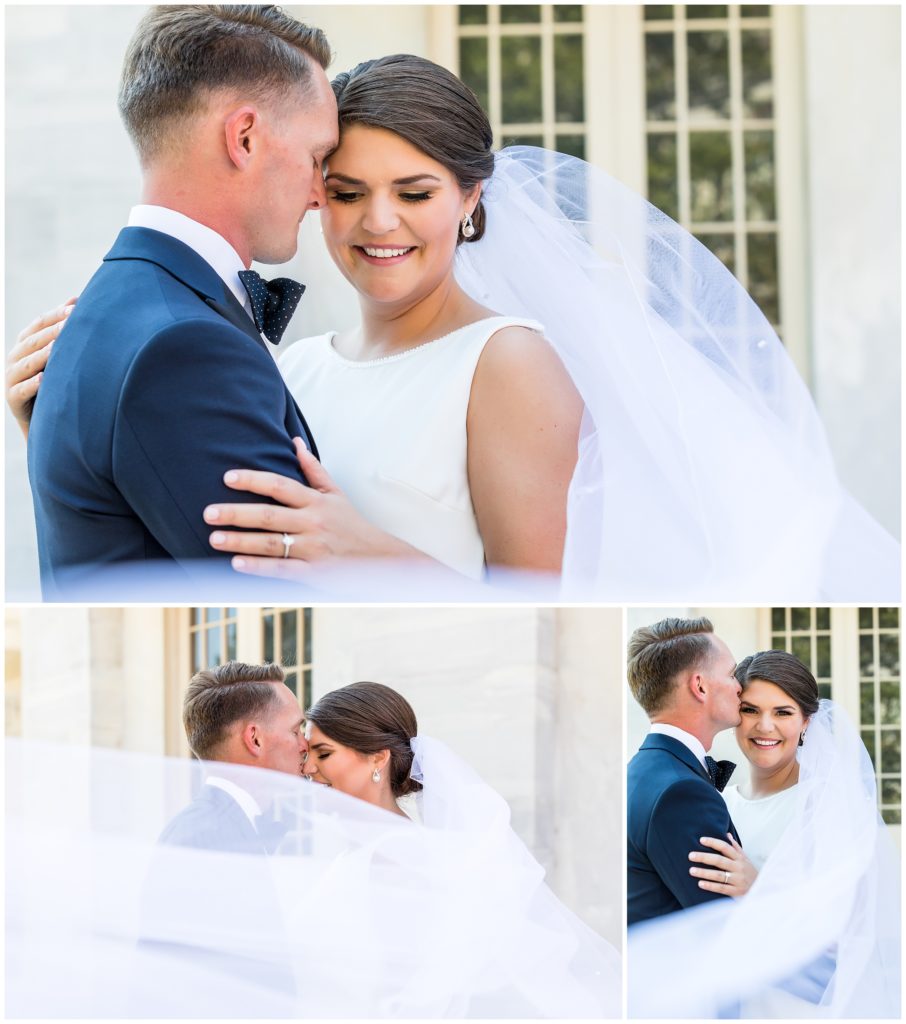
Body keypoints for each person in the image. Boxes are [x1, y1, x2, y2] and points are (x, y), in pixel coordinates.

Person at [10, 47, 899, 600]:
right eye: (347, 192)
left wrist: (369, 553)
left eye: (416, 193)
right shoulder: (293, 364)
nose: (377, 223)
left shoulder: (508, 364)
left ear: (471, 199)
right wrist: (81, 423)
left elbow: (550, 622)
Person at [628, 648, 901, 1019]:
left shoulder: (828, 805)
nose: (764, 727)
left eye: (783, 713)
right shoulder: (719, 801)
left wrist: (758, 889)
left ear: (806, 722)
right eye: (751, 710)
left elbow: (855, 941)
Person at [626, 616, 756, 926]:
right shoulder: (681, 793)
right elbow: (722, 926)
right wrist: (758, 888)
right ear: (699, 686)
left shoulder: (640, 772)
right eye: (732, 673)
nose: (740, 687)